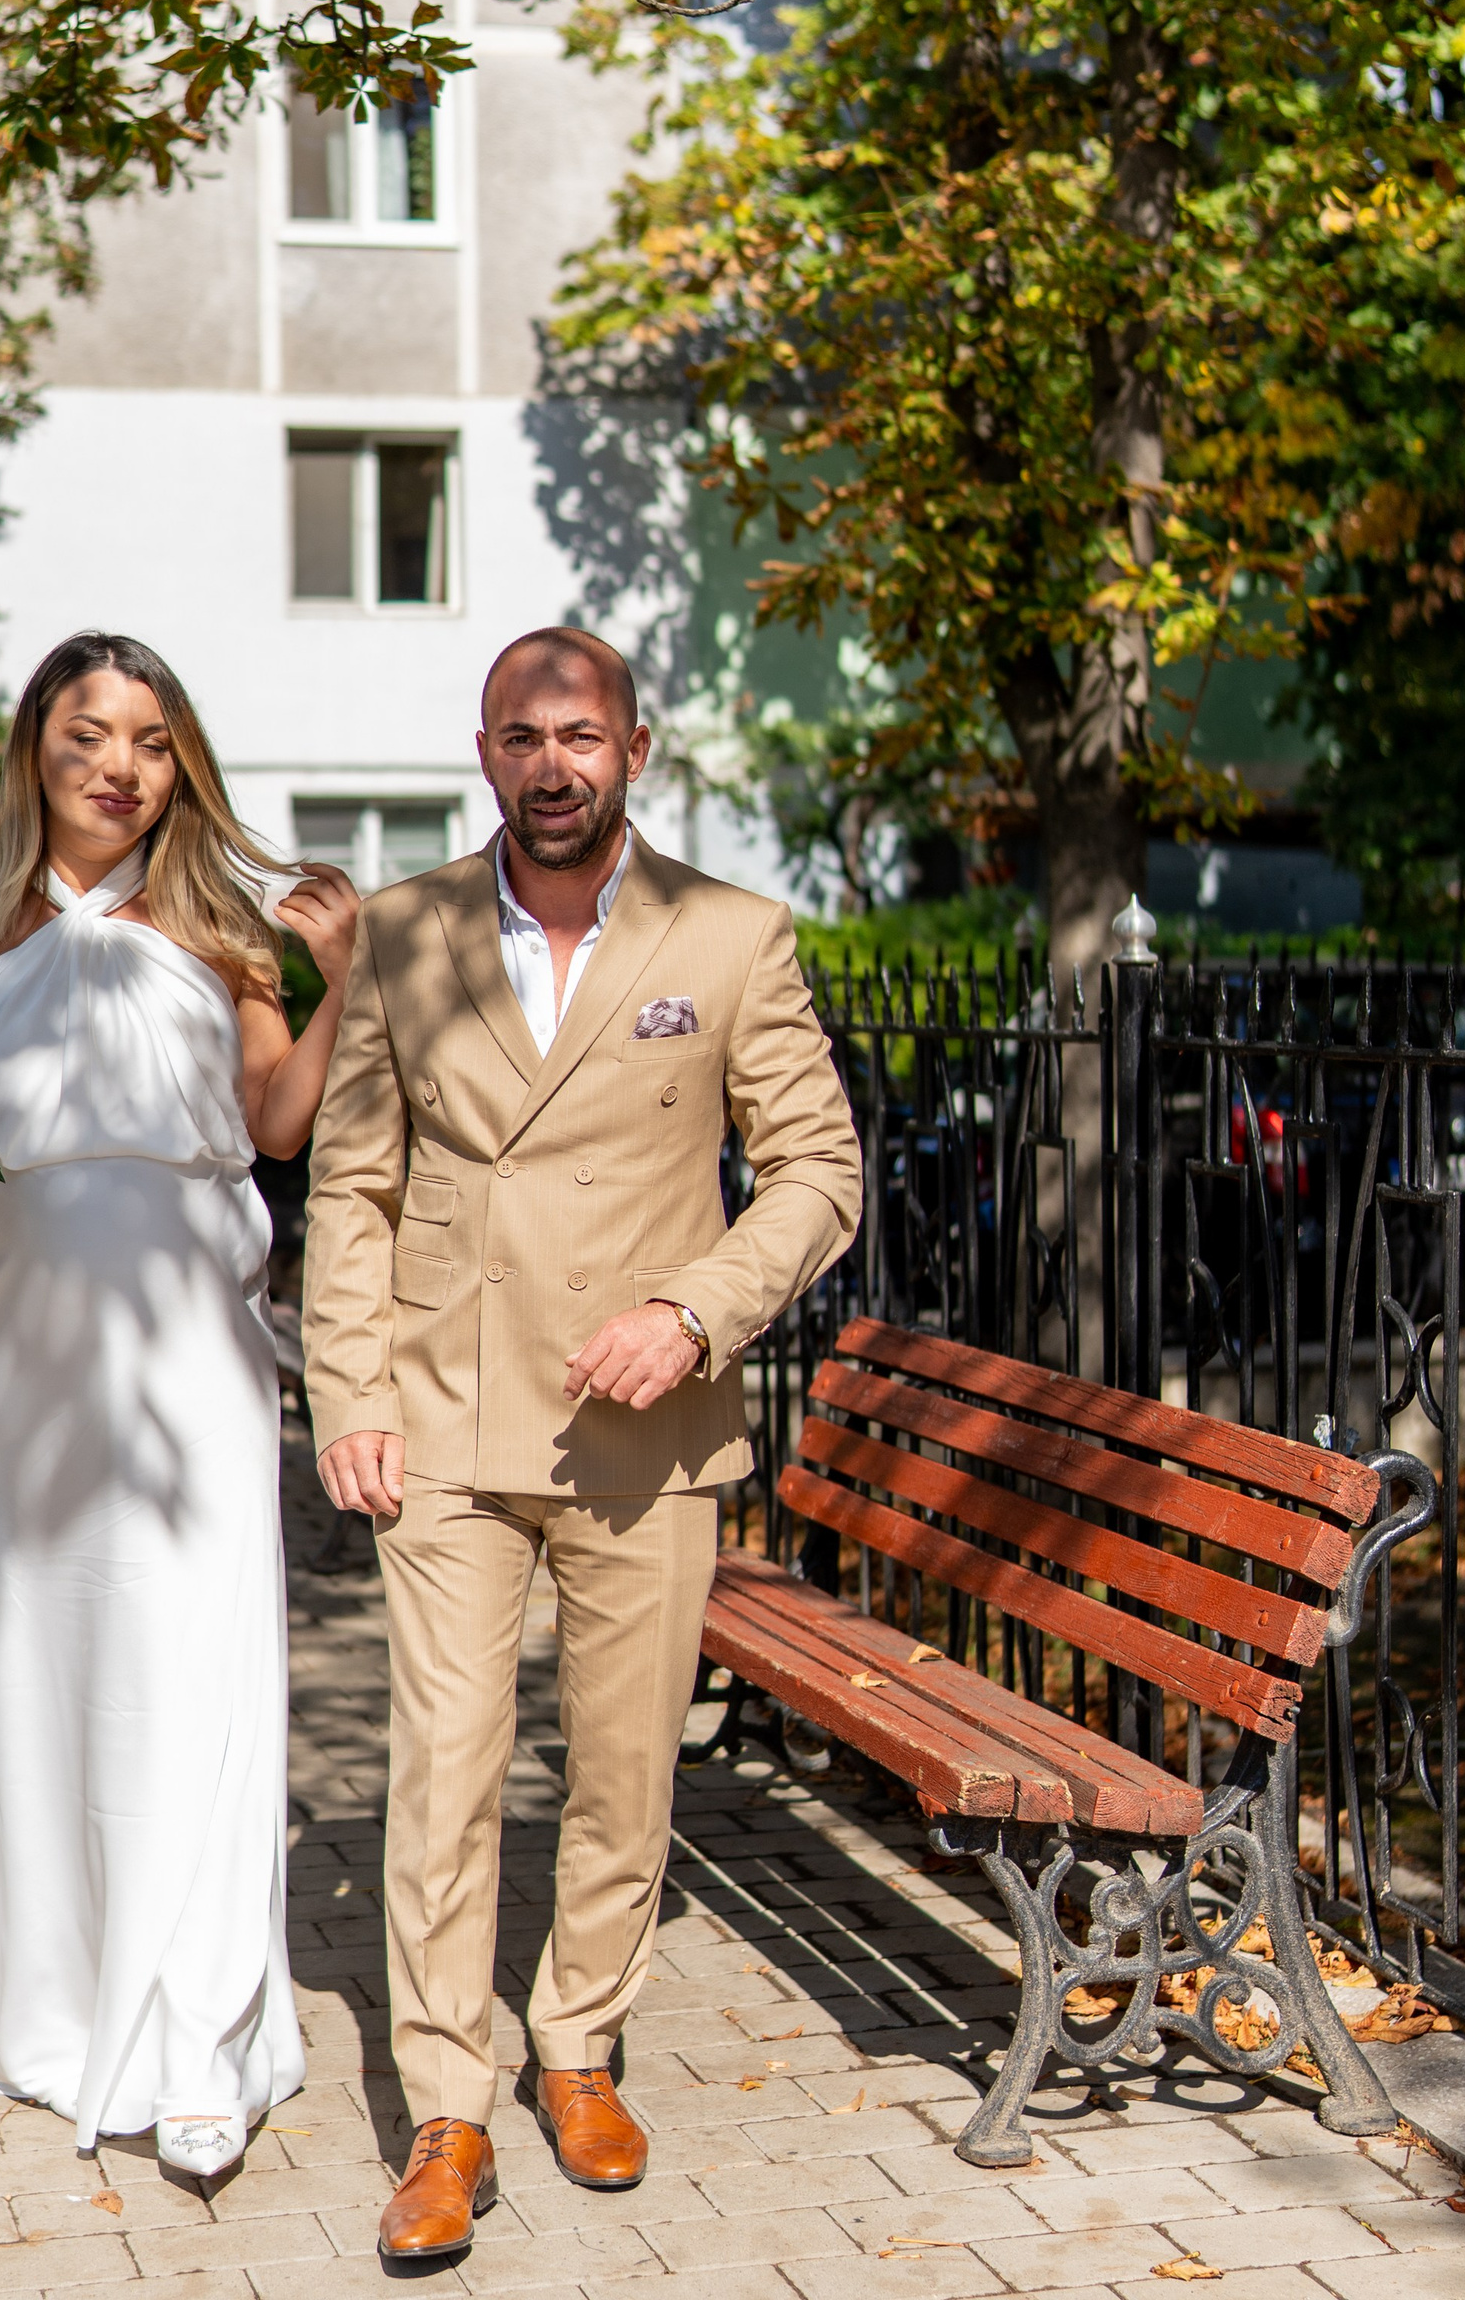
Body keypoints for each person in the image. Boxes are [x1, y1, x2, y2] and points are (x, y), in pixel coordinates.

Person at [302, 625, 865, 2258]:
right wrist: (351, 1393)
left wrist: (696, 1311)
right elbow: (353, 1180)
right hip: (448, 1418)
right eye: (520, 736)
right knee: (446, 1771)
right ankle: (447, 2107)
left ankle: (580, 2044)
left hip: (645, 1422)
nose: (552, 765)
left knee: (623, 1769)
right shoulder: (404, 931)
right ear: (485, 752)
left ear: (634, 749)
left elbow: (819, 1170)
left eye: (581, 735)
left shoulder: (731, 934)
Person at [0, 629, 361, 2189]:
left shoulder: (217, 927)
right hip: (18, 1350)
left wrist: (347, 986)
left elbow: (277, 1122)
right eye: (88, 734)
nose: (119, 766)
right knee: (43, 1646)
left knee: (188, 1652)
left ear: (178, 762)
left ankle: (198, 2036)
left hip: (195, 1344)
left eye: (149, 739)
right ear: (34, 748)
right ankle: (50, 1997)